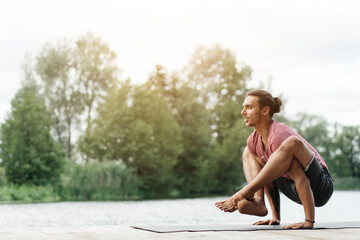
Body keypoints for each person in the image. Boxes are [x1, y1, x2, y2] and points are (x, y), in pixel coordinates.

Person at [215, 90, 334, 229]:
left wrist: (309, 221)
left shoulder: (278, 136)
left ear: (265, 111)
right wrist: (275, 218)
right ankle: (259, 202)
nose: (243, 112)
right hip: (294, 188)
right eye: (243, 107)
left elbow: (302, 178)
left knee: (292, 143)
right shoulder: (254, 140)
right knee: (249, 151)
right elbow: (269, 176)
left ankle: (244, 192)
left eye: (249, 107)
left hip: (320, 187)